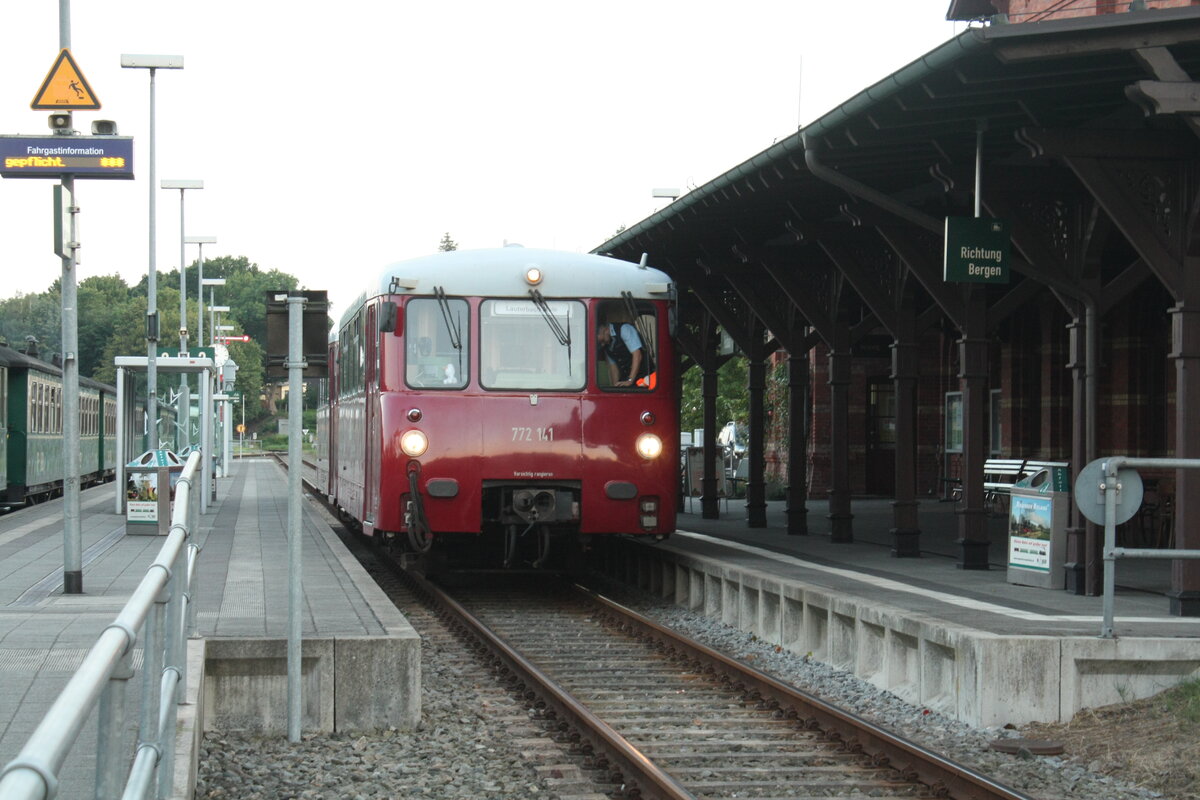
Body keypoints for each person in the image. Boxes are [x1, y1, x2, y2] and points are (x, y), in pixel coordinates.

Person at [596, 321, 652, 387]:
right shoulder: (606, 345)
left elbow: (637, 354)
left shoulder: (624, 329)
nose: (602, 345)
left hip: (645, 377)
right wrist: (615, 387)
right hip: (627, 378)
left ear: (604, 329)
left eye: (603, 341)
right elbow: (613, 367)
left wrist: (630, 380)